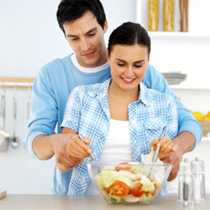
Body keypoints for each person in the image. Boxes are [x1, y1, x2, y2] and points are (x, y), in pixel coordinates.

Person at [24, 0, 201, 194]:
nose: (84, 46)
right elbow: (36, 138)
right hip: (76, 198)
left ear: (104, 25)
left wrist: (177, 149)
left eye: (91, 34)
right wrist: (55, 143)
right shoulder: (54, 77)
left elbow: (189, 123)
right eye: (74, 38)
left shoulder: (146, 76)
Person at [60, 21, 180, 196]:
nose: (129, 73)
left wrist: (165, 156)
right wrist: (72, 151)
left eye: (138, 65)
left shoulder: (165, 104)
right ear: (108, 57)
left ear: (148, 61)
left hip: (144, 204)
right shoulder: (81, 97)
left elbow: (170, 175)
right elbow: (63, 162)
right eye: (121, 64)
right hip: (86, 204)